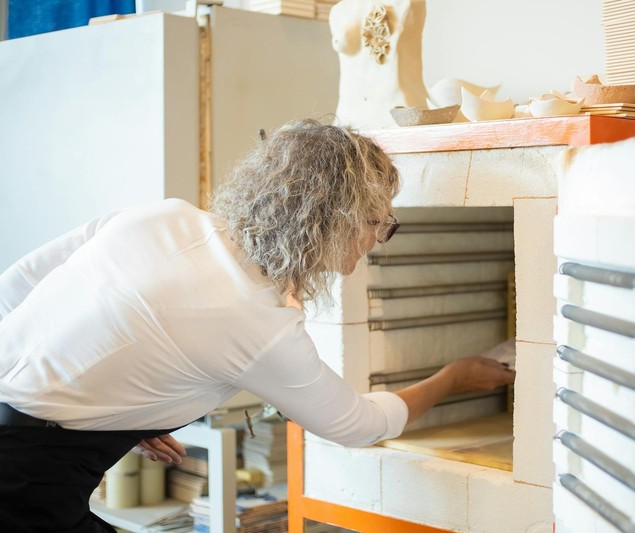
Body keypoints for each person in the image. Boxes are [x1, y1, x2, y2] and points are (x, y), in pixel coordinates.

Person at [0, 119, 515, 531]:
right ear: (328, 219)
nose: (378, 238)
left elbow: (17, 286)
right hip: (23, 483)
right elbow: (356, 425)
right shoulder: (256, 319)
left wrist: (102, 400)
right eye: (377, 222)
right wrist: (456, 377)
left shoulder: (161, 217)